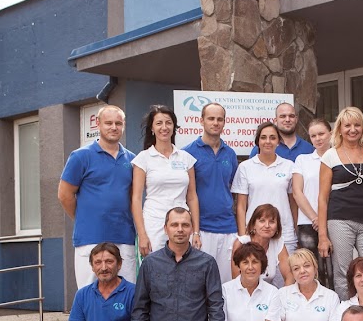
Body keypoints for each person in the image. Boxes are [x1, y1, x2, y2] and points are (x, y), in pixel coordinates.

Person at [58, 105, 137, 287]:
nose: (114, 127)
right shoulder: (80, 156)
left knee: (126, 292)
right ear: (98, 124)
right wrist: (84, 218)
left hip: (124, 237)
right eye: (108, 123)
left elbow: (133, 198)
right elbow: (64, 195)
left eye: (118, 123)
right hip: (90, 238)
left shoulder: (132, 159)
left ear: (123, 125)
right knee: (89, 292)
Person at [318, 107, 363, 296]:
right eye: (347, 125)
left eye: (357, 125)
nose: (353, 129)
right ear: (340, 129)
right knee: (343, 274)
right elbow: (323, 198)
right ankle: (347, 311)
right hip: (340, 221)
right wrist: (323, 236)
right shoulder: (330, 155)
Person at [131, 105, 201, 255]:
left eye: (168, 123)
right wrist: (142, 234)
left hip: (182, 223)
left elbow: (192, 197)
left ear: (174, 127)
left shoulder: (186, 158)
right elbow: (136, 199)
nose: (164, 127)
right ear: (152, 128)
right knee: (156, 265)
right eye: (159, 123)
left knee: (184, 264)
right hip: (154, 224)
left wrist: (196, 232)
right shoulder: (143, 158)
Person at [183, 102, 238, 283]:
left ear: (224, 122)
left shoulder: (230, 154)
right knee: (200, 283)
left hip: (228, 228)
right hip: (201, 229)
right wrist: (194, 231)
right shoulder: (187, 153)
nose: (215, 123)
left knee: (227, 284)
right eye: (211, 118)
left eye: (219, 119)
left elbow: (234, 190)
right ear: (201, 121)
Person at [233, 121, 298, 254]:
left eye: (272, 138)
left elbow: (294, 203)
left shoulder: (289, 166)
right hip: (254, 234)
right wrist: (243, 236)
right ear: (258, 141)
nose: (268, 141)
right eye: (263, 137)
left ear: (278, 141)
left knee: (286, 268)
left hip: (284, 234)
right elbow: (241, 206)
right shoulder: (245, 167)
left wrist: (297, 231)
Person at [293, 118, 335, 288]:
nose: (318, 139)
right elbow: (297, 192)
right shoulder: (302, 160)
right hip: (308, 223)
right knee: (311, 270)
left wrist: (325, 219)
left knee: (334, 270)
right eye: (313, 136)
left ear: (330, 134)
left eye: (321, 134)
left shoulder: (339, 158)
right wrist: (315, 218)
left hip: (334, 221)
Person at [232, 203, 292, 289]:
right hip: (244, 292)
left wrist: (285, 294)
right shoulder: (241, 243)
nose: (267, 226)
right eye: (262, 221)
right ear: (253, 224)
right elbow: (236, 279)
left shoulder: (278, 243)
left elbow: (289, 275)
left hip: (268, 294)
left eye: (271, 222)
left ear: (277, 227)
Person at [250, 102, 315, 160]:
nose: (287, 120)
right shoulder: (261, 148)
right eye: (283, 116)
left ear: (296, 119)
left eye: (291, 116)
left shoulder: (308, 148)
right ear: (275, 121)